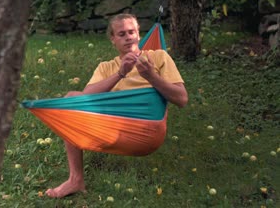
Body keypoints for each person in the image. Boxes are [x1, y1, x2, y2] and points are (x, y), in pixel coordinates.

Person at [45, 13, 188, 198]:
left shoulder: (159, 57)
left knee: (73, 98)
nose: (128, 37)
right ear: (112, 39)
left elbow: (182, 99)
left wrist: (152, 77)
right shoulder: (106, 67)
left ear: (138, 34)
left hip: (148, 129)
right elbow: (84, 99)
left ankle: (76, 180)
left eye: (132, 32)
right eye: (121, 34)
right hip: (112, 128)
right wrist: (120, 74)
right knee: (71, 98)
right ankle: (75, 180)